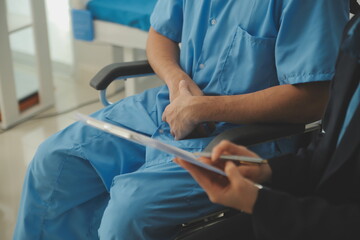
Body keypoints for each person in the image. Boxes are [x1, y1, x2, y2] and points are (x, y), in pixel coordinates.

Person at [13, 0, 349, 239]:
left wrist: (204, 109)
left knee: (129, 211)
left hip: (243, 138)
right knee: (54, 160)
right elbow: (160, 34)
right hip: (167, 106)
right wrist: (178, 85)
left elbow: (313, 98)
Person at [175, 12, 360, 240]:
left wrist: (258, 201)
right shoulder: (355, 33)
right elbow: (330, 155)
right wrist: (265, 170)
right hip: (311, 209)